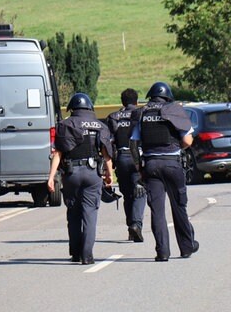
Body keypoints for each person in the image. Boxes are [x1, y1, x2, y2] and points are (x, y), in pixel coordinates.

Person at [129, 81, 199, 262]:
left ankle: (162, 252)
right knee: (179, 207)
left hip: (151, 165)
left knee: (157, 211)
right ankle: (186, 247)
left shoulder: (143, 113)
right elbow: (188, 141)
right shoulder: (174, 110)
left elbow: (133, 143)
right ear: (167, 96)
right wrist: (177, 147)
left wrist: (139, 167)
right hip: (172, 164)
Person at [47, 93, 113, 265]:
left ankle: (75, 253)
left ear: (72, 108)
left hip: (72, 175)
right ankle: (87, 255)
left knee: (74, 214)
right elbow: (106, 155)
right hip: (93, 174)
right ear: (89, 107)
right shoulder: (99, 125)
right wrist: (109, 175)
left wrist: (51, 177)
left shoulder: (65, 125)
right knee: (90, 214)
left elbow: (58, 153)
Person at [105, 88, 146, 242]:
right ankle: (136, 225)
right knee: (140, 191)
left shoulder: (113, 117)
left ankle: (131, 227)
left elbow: (108, 143)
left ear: (122, 102)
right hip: (137, 157)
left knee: (128, 195)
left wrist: (109, 166)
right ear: (136, 101)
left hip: (121, 158)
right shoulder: (140, 114)